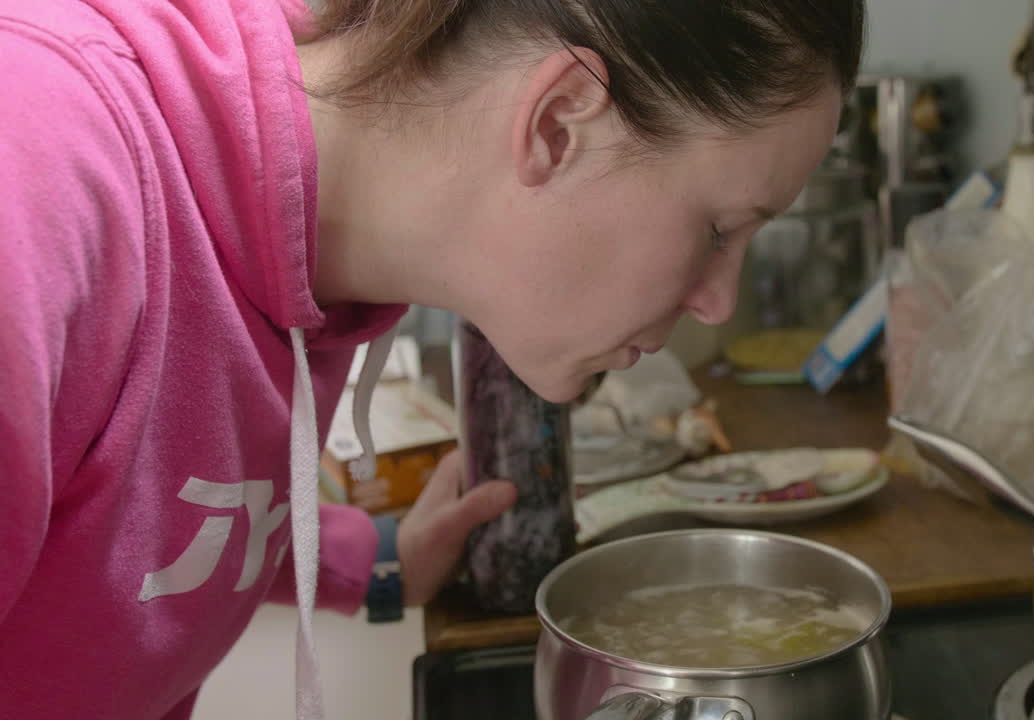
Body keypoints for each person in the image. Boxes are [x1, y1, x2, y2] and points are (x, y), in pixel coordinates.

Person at [0, 0, 865, 717]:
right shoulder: (37, 179)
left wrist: (369, 563)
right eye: (720, 228)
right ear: (561, 121)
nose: (719, 298)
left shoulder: (322, 256)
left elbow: (137, 509)